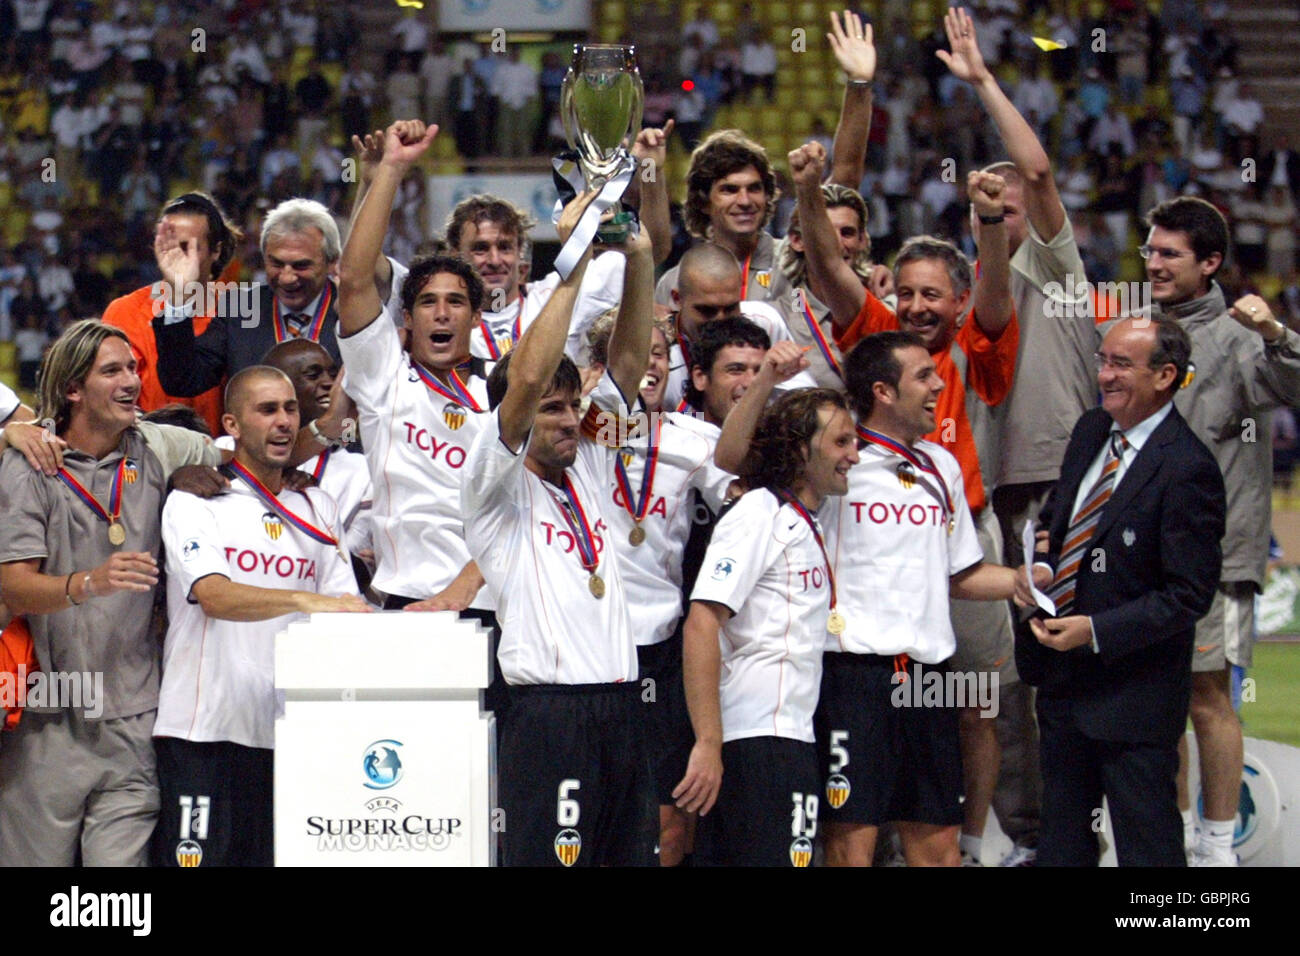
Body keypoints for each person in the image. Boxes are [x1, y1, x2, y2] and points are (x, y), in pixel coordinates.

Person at [716, 332, 1035, 867]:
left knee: (938, 843)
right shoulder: (834, 460)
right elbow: (729, 457)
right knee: (851, 840)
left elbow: (960, 573)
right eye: (924, 377)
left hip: (931, 674)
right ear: (884, 391)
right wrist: (768, 378)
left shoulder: (942, 466)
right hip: (853, 676)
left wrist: (1025, 582)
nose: (938, 385)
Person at [939, 6, 1100, 866]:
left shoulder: (1059, 269)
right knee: (1004, 686)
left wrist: (985, 83)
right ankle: (1016, 831)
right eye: (980, 202)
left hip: (1062, 490)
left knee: (1074, 679)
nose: (995, 208)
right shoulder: (974, 297)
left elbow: (1035, 170)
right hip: (996, 501)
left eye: (1005, 201)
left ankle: (1086, 831)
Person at [461, 191, 657, 867]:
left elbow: (628, 367)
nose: (570, 419)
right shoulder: (493, 484)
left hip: (622, 706)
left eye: (573, 406)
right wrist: (572, 258)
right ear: (514, 419)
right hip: (548, 717)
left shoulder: (593, 464)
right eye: (552, 409)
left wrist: (637, 253)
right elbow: (527, 374)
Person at [0, 320, 223, 866]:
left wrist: (200, 472)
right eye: (113, 371)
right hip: (47, 716)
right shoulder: (30, 464)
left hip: (135, 716)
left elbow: (247, 446)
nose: (132, 382)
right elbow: (13, 585)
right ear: (74, 387)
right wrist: (90, 583)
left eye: (134, 369)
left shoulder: (158, 444)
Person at [1132, 196, 1300, 865]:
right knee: (1157, 701)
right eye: (1150, 250)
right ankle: (1171, 838)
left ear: (1210, 262)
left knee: (1207, 694)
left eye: (1170, 253)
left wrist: (1277, 334)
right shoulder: (1135, 331)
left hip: (1219, 555)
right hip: (1143, 550)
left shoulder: (1237, 333)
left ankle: (1220, 845)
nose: (1154, 263)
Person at [1020, 317, 1225, 866]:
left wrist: (1096, 631)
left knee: (1149, 854)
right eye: (1103, 360)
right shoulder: (1091, 431)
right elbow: (1056, 520)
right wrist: (1042, 567)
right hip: (1063, 687)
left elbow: (1188, 596)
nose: (1104, 374)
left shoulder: (1188, 468)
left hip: (1133, 700)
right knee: (1062, 848)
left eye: (1120, 364)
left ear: (1165, 375)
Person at [153, 366, 369, 868]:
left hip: (290, 733)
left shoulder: (317, 504)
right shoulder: (196, 499)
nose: (283, 422)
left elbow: (345, 612)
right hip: (204, 732)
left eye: (290, 410)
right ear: (231, 423)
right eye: (267, 410)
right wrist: (302, 599)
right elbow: (214, 596)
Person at [677, 387, 858, 866]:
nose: (854, 456)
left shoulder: (807, 520)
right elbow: (701, 621)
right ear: (802, 450)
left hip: (789, 736)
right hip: (757, 742)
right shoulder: (760, 513)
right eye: (841, 443)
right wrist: (709, 742)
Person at [583, 313, 734, 866]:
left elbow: (741, 496)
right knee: (594, 810)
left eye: (657, 353)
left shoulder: (694, 440)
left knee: (670, 819)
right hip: (592, 646)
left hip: (662, 645)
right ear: (602, 365)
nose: (647, 364)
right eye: (632, 351)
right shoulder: (580, 431)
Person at [335, 120, 489, 612]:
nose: (442, 313)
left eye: (456, 302)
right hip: (411, 597)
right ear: (407, 316)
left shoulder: (505, 388)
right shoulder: (385, 376)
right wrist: (391, 172)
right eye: (427, 303)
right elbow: (355, 278)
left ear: (476, 316)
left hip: (500, 598)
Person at [654, 10, 877, 307]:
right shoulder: (676, 282)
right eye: (729, 189)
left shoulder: (797, 259)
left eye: (754, 188)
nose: (745, 200)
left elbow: (845, 179)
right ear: (704, 201)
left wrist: (859, 84)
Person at [154, 197, 394, 394]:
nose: (287, 277)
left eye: (301, 265)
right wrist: (178, 295)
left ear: (332, 262)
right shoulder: (239, 306)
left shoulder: (356, 310)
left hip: (342, 449)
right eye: (276, 264)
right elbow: (182, 381)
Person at [101, 192, 235, 435]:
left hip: (224, 459)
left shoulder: (239, 309)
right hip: (147, 457)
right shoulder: (124, 312)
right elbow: (108, 400)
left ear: (216, 250)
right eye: (168, 246)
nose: (175, 258)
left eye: (187, 248)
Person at [662, 243, 814, 410]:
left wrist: (779, 375)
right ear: (677, 299)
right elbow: (632, 427)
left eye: (730, 308)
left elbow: (805, 398)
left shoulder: (765, 321)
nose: (720, 320)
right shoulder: (656, 349)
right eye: (707, 310)